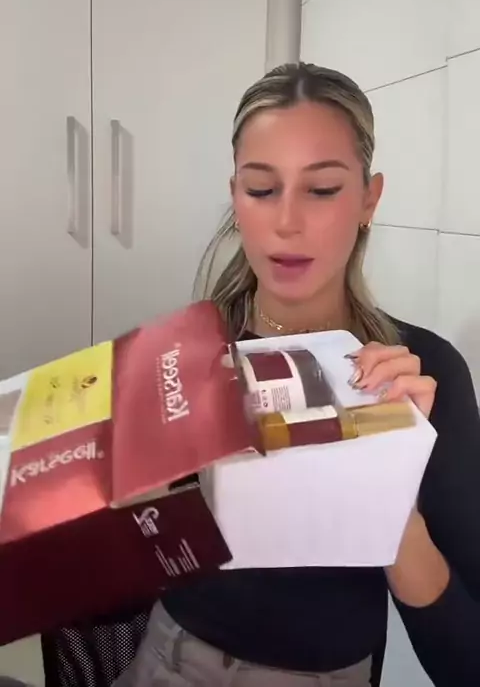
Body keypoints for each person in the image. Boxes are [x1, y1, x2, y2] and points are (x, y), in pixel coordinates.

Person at [41, 63, 480, 686]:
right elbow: (96, 604)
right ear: (236, 196)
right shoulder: (182, 361)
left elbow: (465, 663)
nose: (287, 221)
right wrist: (128, 512)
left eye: (321, 189)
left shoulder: (420, 378)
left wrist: (393, 511)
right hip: (168, 663)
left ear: (368, 199)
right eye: (262, 189)